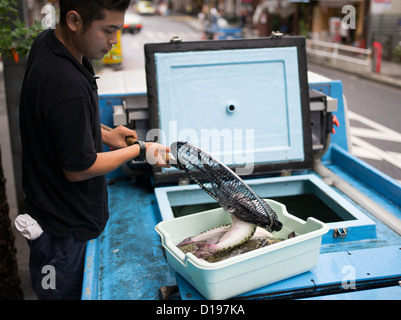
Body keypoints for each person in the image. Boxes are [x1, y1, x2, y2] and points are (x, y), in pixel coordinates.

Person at [18, 0, 170, 299]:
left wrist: (109, 135)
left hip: (52, 217)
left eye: (118, 30)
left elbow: (60, 124)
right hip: (63, 237)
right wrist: (139, 150)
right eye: (108, 30)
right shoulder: (67, 83)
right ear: (74, 20)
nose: (114, 42)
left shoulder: (49, 43)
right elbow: (78, 169)